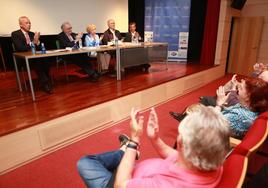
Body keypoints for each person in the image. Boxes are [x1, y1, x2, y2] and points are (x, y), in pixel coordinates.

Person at [77, 106, 230, 188]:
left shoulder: (166, 186)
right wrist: (154, 138)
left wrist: (134, 140)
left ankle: (125, 151)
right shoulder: (211, 160)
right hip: (137, 172)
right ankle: (126, 153)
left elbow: (120, 184)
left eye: (180, 133)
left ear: (182, 145)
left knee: (84, 163)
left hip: (122, 180)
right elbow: (174, 155)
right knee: (119, 158)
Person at [11, 16, 52, 94]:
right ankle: (46, 84)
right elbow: (20, 47)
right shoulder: (15, 34)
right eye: (27, 23)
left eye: (30, 23)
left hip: (34, 56)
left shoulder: (32, 34)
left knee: (46, 60)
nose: (29, 25)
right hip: (23, 58)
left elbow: (40, 47)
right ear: (21, 25)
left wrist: (38, 42)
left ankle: (45, 79)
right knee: (37, 62)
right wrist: (33, 42)